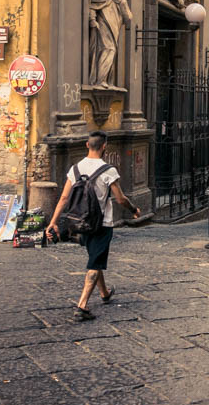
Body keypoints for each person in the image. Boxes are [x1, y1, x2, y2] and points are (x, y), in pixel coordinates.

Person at [46, 131, 141, 322]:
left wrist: (53, 221)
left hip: (80, 222)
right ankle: (82, 306)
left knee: (95, 258)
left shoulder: (75, 169)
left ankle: (104, 293)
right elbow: (120, 198)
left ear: (87, 145)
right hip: (102, 223)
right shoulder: (108, 170)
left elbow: (64, 197)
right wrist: (133, 209)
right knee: (95, 263)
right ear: (104, 146)